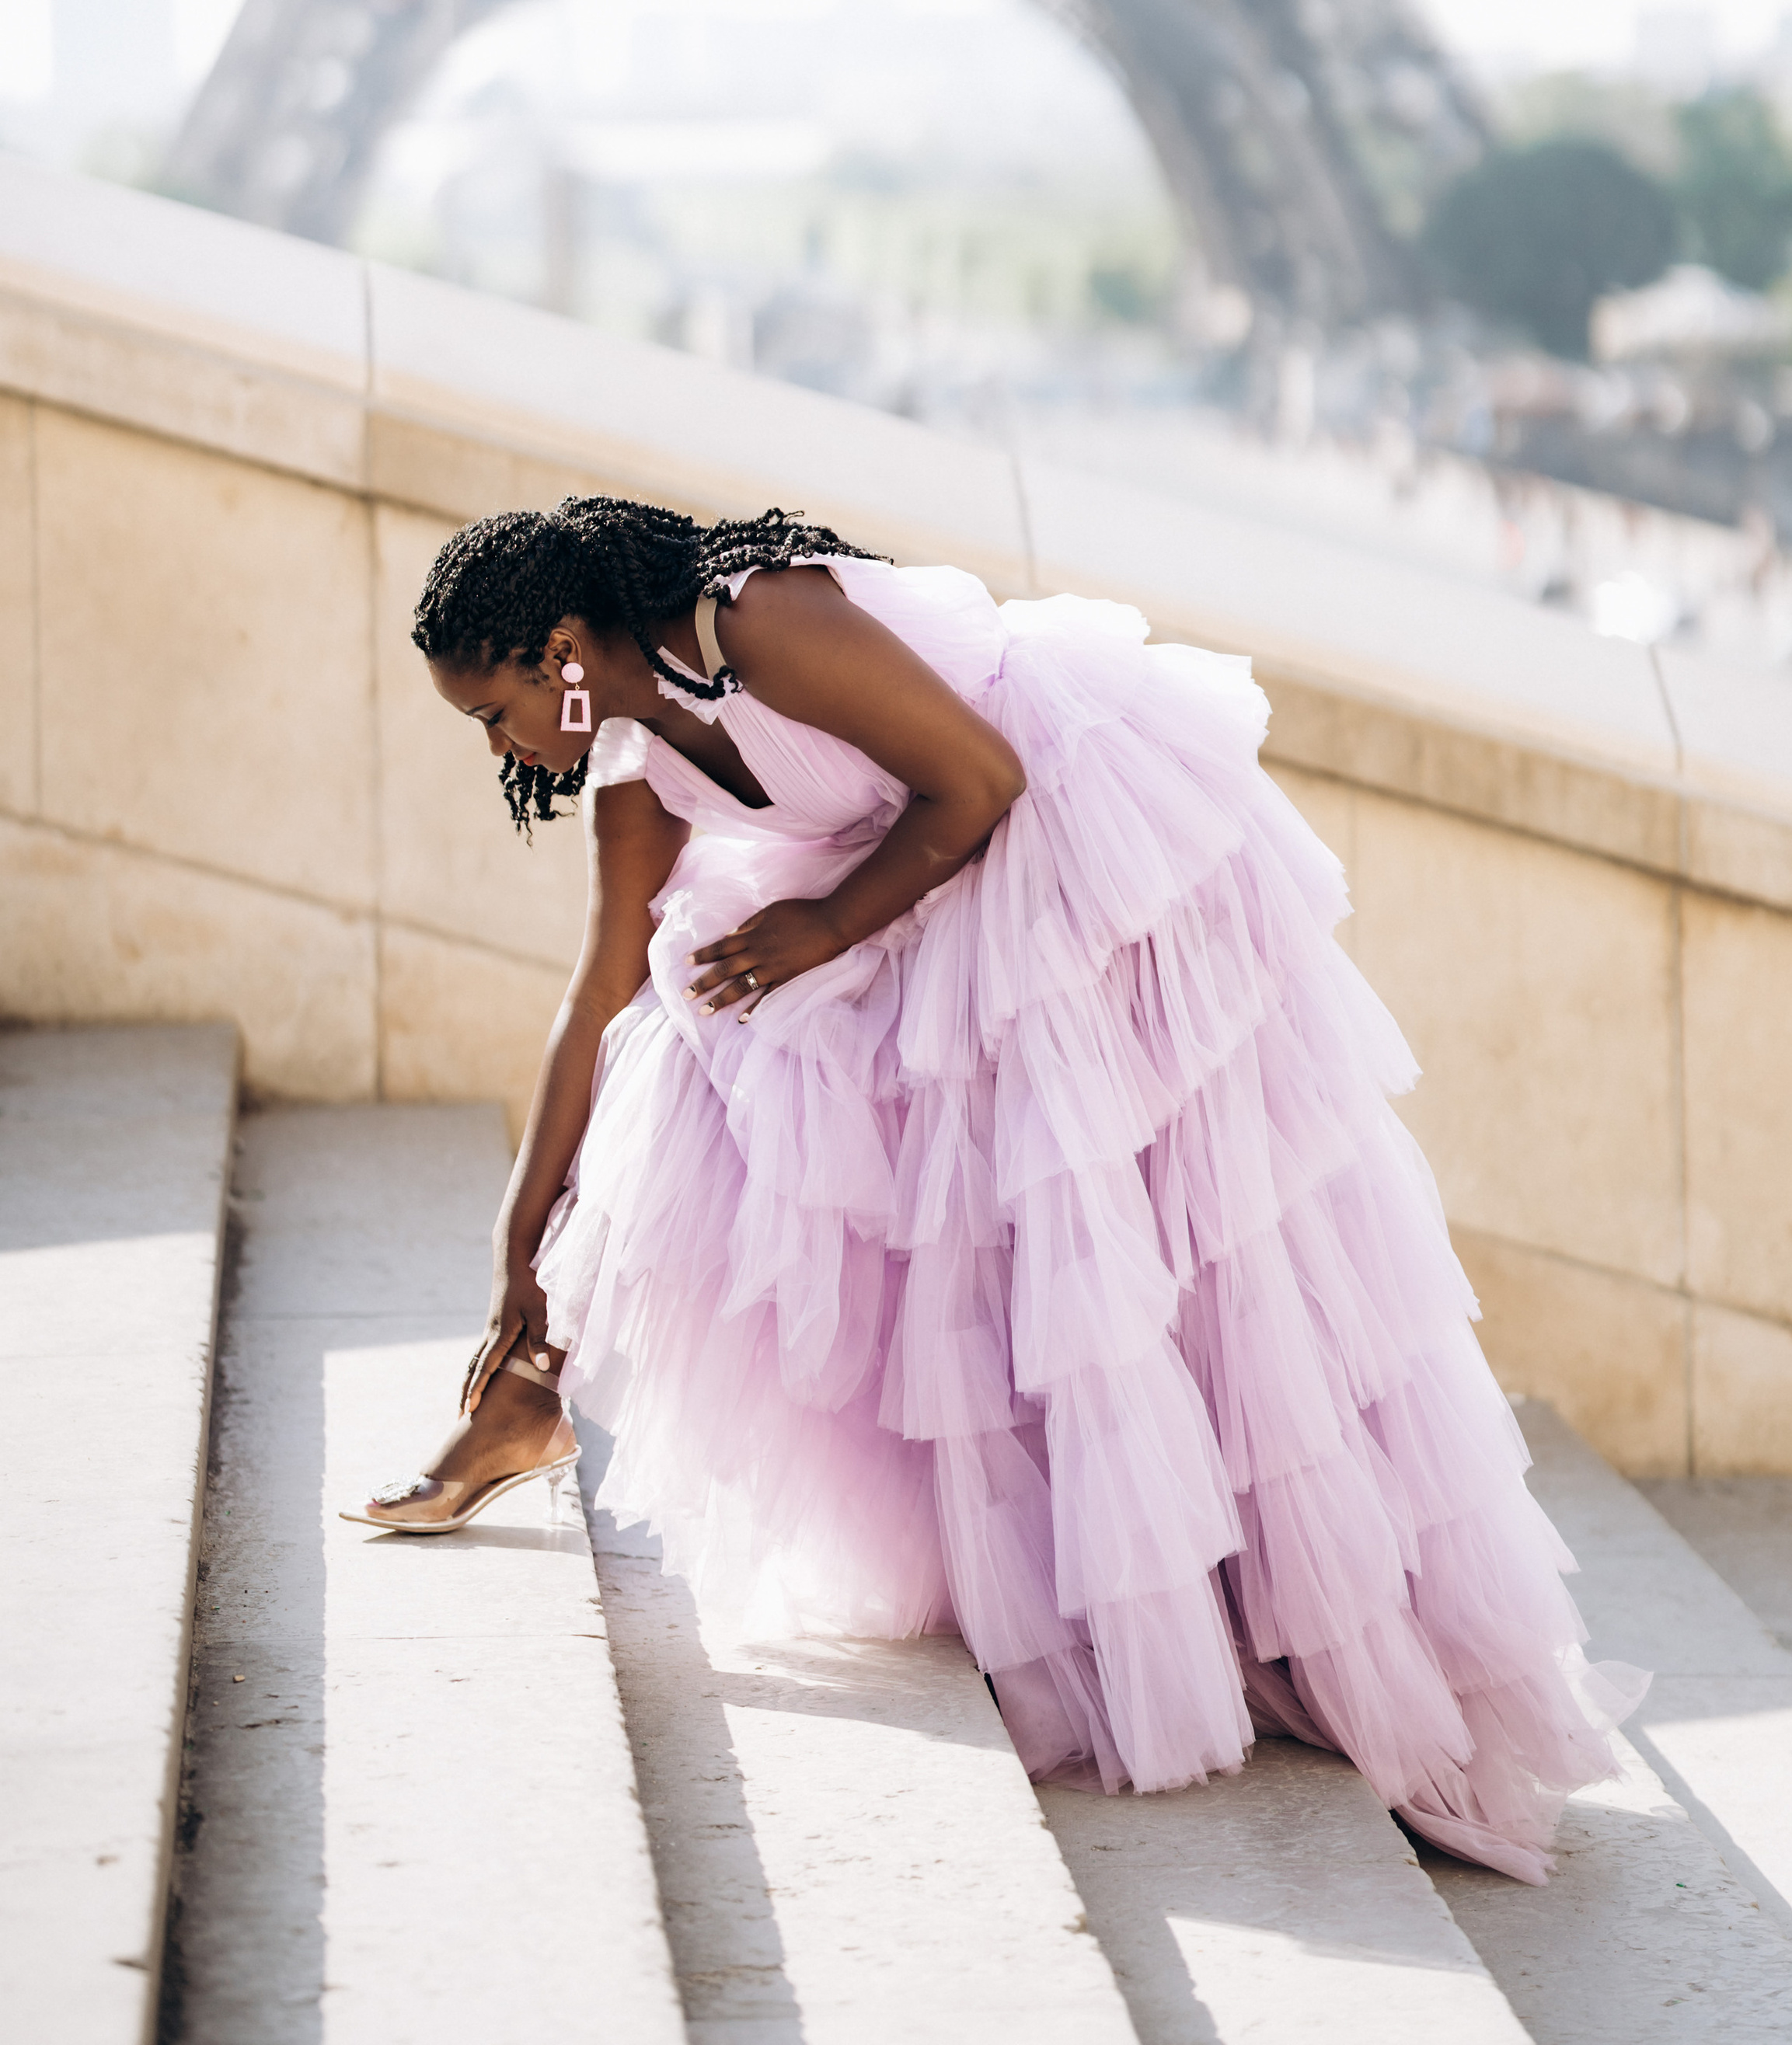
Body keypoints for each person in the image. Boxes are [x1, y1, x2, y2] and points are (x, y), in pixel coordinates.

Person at [345, 495, 1638, 1882]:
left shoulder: (758, 622)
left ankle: (1294, 1620)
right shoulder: (635, 760)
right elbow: (595, 992)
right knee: (687, 1048)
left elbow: (983, 780)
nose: (499, 748)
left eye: (491, 713)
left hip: (1071, 849)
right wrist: (521, 1240)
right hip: (906, 878)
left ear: (558, 650)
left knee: (1168, 1263)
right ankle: (527, 1394)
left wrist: (827, 929)